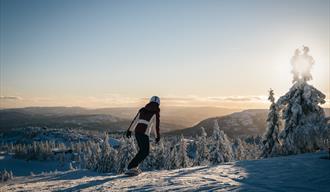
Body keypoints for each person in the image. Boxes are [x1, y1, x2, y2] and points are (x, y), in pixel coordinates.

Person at [125, 96, 161, 175]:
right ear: (158, 103)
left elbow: (135, 120)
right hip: (144, 133)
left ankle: (133, 167)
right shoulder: (155, 112)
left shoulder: (142, 110)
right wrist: (157, 137)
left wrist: (129, 130)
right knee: (145, 151)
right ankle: (131, 167)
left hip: (137, 132)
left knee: (142, 151)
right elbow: (156, 126)